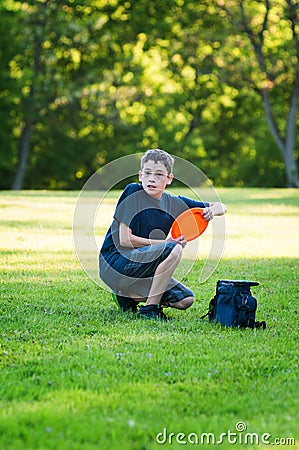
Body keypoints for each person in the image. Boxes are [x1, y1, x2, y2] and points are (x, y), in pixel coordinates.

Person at [99, 149, 227, 320]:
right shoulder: (132, 192)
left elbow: (221, 206)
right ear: (140, 175)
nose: (152, 178)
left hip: (142, 264)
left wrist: (212, 210)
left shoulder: (173, 202)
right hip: (114, 264)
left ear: (169, 179)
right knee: (174, 248)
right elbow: (125, 239)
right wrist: (165, 243)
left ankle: (126, 297)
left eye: (159, 174)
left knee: (186, 300)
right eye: (148, 173)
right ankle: (150, 309)